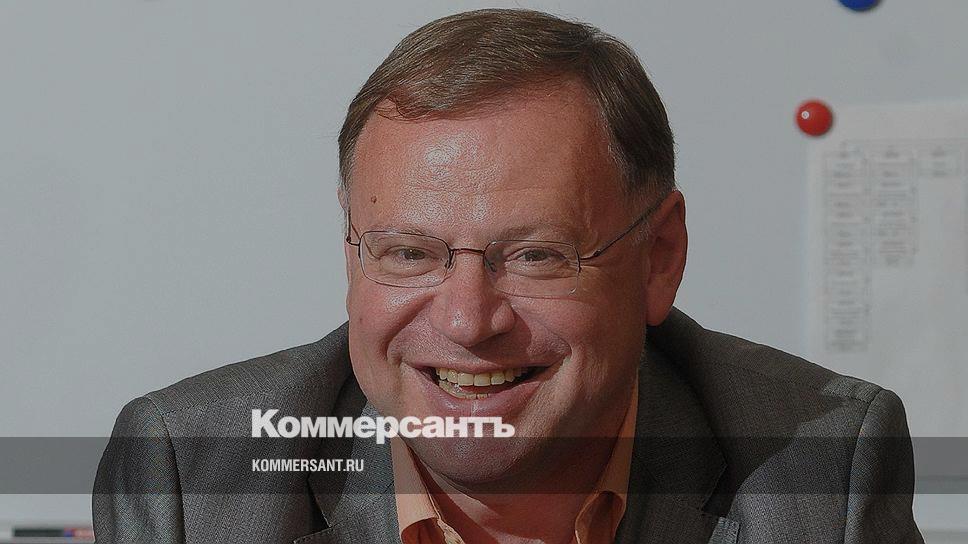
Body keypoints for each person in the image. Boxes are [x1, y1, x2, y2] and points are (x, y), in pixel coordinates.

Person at [93, 8, 923, 544]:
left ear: (659, 257)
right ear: (352, 254)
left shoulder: (819, 476)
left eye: (535, 255)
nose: (466, 320)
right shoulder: (191, 481)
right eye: (409, 253)